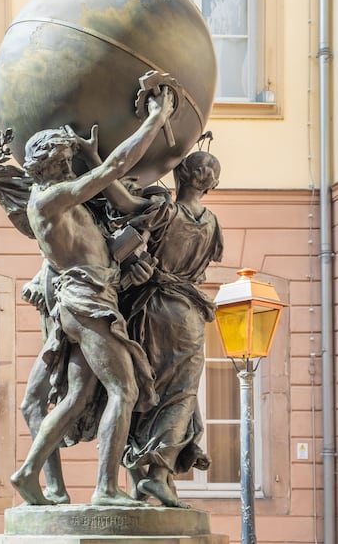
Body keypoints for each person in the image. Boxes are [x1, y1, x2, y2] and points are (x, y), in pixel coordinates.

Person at [8, 86, 174, 505]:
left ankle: (28, 474)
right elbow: (117, 167)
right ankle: (105, 490)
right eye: (66, 159)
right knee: (124, 390)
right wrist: (156, 117)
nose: (71, 165)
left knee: (78, 396)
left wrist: (89, 154)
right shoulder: (52, 199)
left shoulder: (49, 197)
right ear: (54, 163)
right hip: (87, 302)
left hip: (87, 300)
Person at [90, 150, 223, 507]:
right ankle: (159, 477)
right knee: (180, 394)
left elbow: (123, 199)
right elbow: (200, 272)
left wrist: (96, 162)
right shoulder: (212, 223)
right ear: (212, 184)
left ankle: (145, 479)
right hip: (186, 314)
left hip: (150, 311)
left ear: (178, 174)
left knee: (146, 393)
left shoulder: (166, 211)